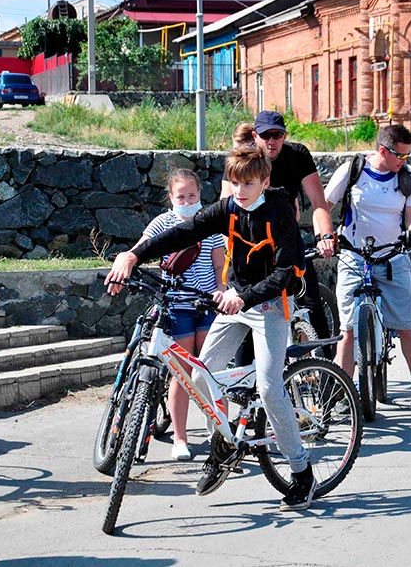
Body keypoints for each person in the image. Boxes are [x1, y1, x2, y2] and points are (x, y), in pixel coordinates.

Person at [105, 145, 317, 511]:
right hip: (235, 302)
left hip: (270, 306)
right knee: (201, 376)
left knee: (268, 388)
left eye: (248, 183)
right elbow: (184, 232)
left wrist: (243, 298)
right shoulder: (229, 208)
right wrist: (134, 254)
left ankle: (302, 473)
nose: (240, 190)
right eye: (234, 182)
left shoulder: (278, 210)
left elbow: (284, 273)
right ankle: (223, 445)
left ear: (265, 182)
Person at [323, 124, 411, 412]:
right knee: (347, 330)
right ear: (382, 150)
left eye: (408, 155)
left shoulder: (409, 175)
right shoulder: (353, 170)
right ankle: (344, 391)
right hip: (354, 255)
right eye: (400, 155)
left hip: (393, 255)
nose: (404, 161)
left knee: (406, 325)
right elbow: (323, 205)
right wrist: (326, 235)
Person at [132, 169, 225, 461]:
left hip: (206, 305)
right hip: (177, 306)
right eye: (181, 196)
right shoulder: (162, 224)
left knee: (209, 372)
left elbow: (219, 264)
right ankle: (180, 438)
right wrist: (128, 258)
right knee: (181, 374)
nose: (187, 200)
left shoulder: (210, 223)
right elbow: (142, 247)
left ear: (200, 195)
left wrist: (222, 290)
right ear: (171, 198)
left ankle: (218, 433)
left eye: (192, 195)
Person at [222, 111, 336, 346]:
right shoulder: (245, 159)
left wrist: (325, 236)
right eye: (266, 135)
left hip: (287, 243)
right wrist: (230, 252)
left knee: (313, 307)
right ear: (256, 136)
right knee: (246, 316)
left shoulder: (297, 155)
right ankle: (247, 381)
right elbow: (226, 211)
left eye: (278, 135)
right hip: (251, 247)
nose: (272, 141)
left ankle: (328, 377)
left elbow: (318, 203)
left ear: (285, 135)